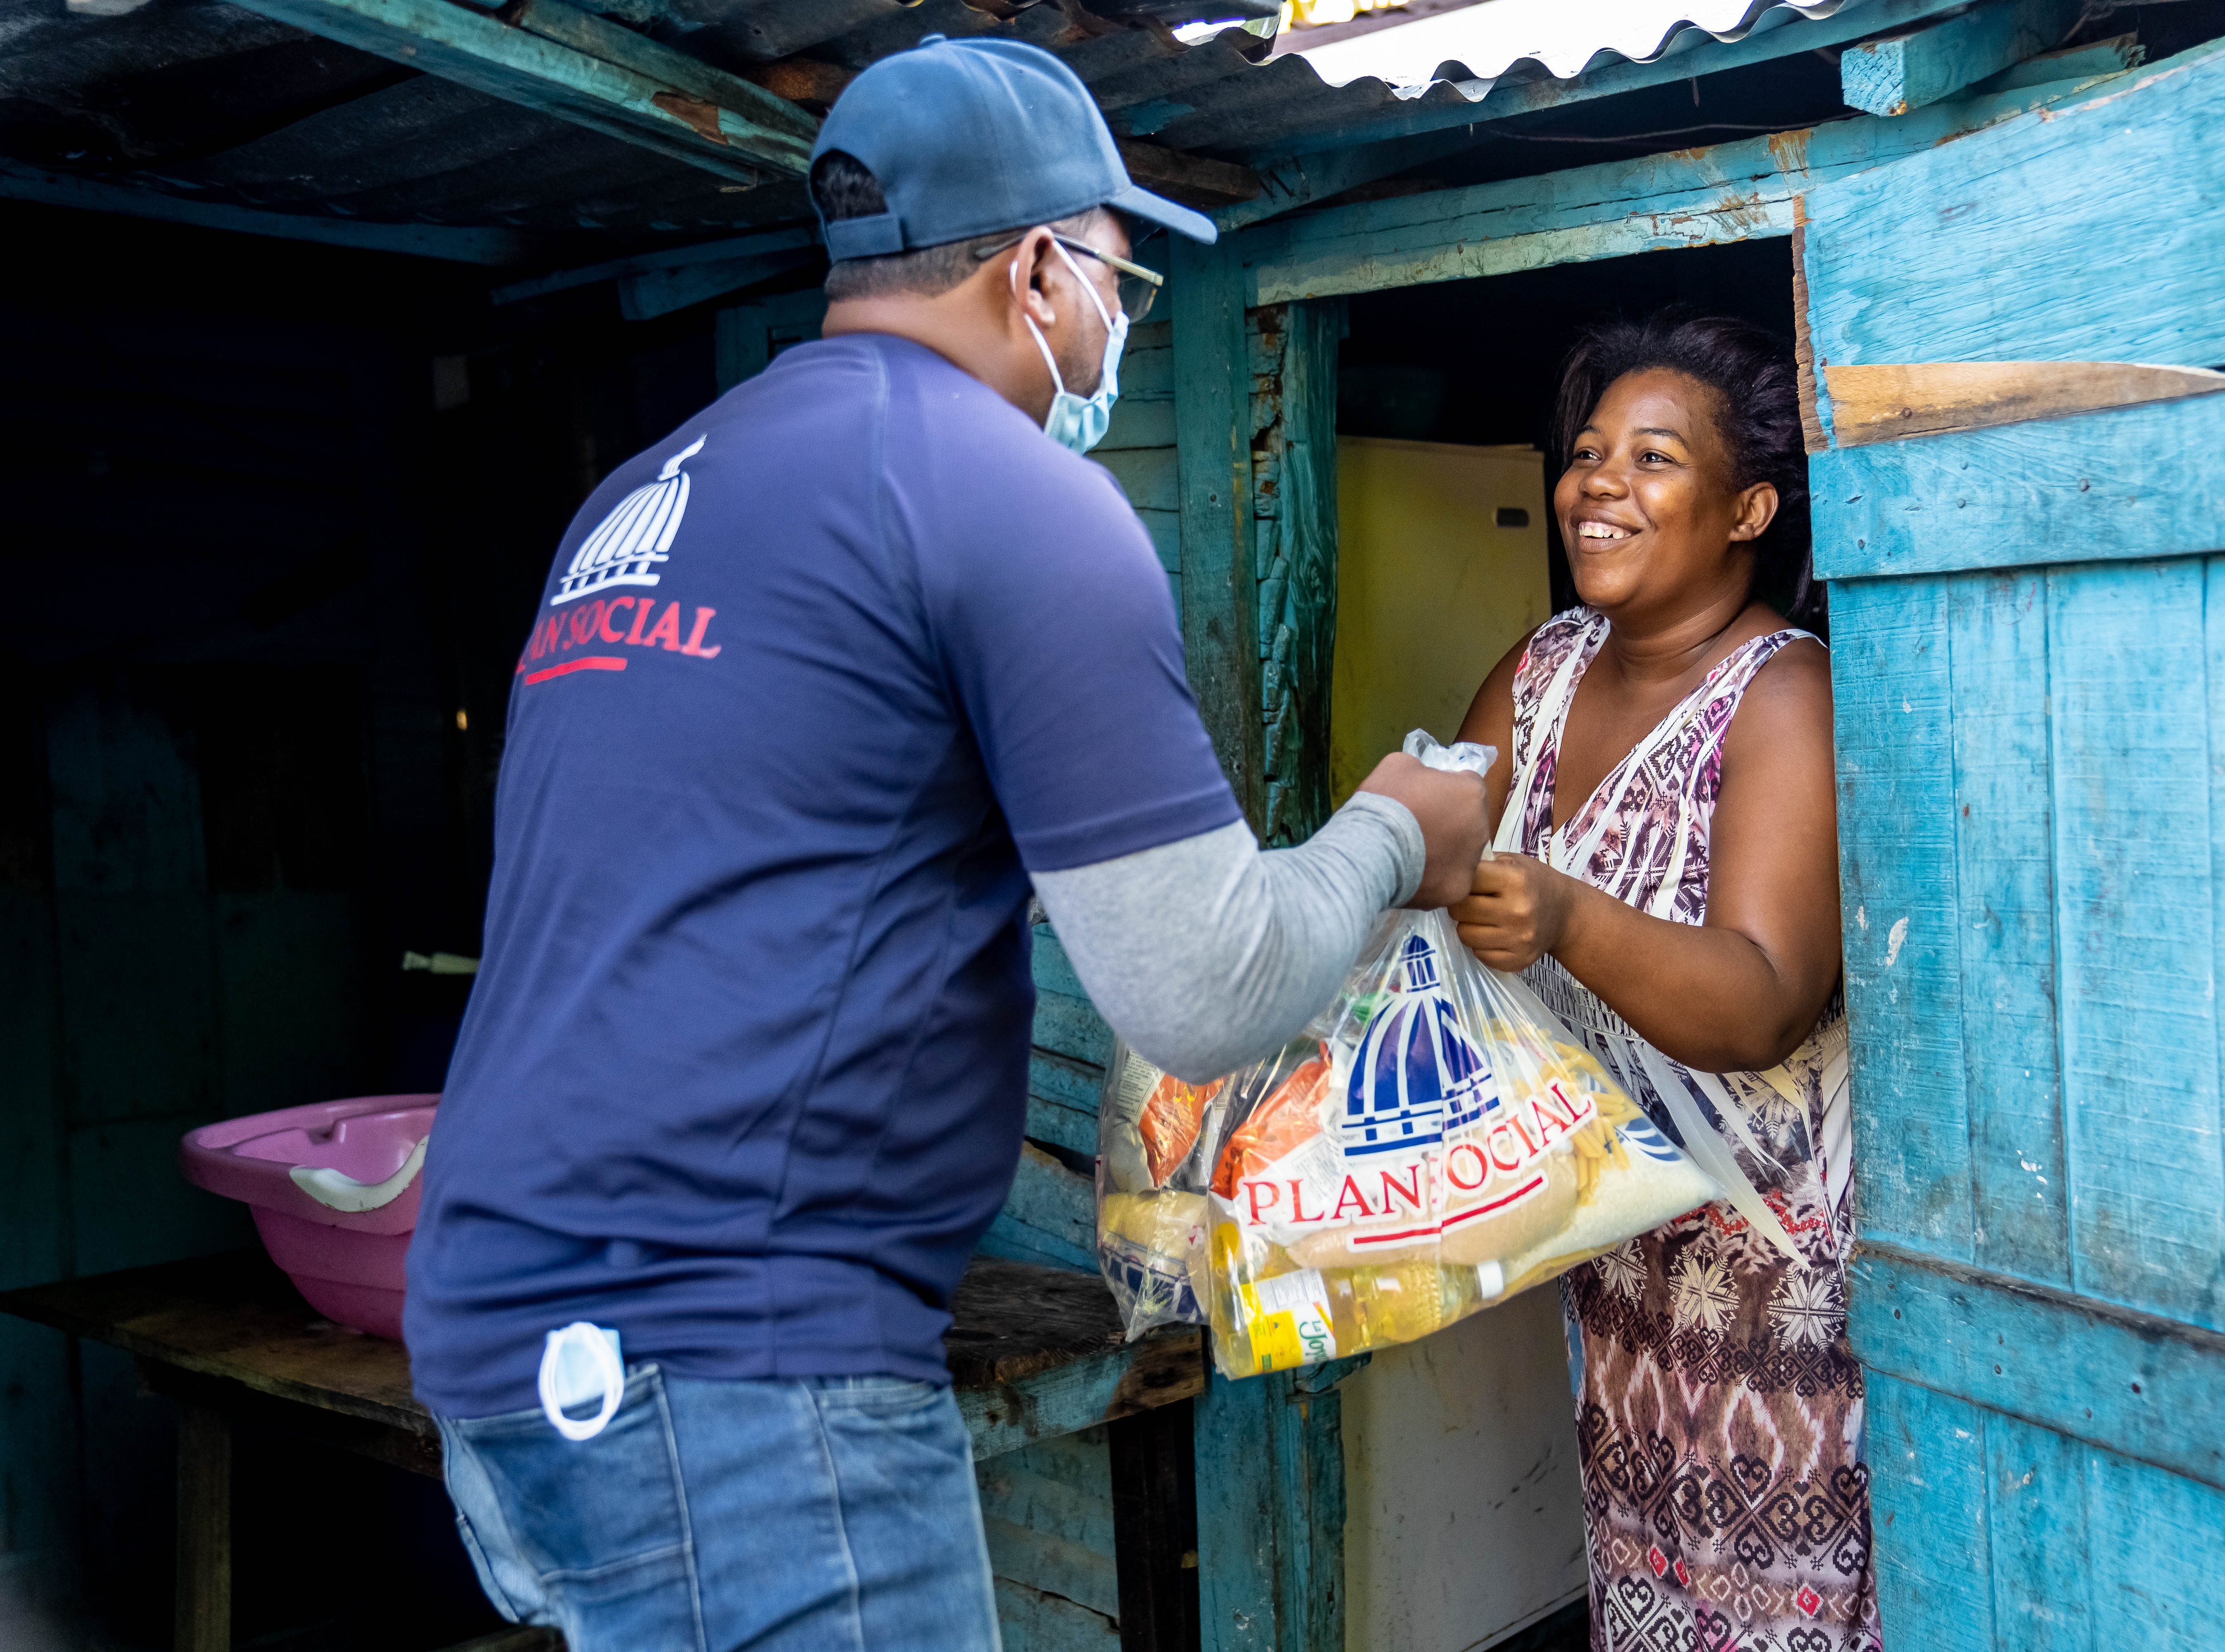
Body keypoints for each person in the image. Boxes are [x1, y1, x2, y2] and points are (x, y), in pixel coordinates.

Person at [401, 35, 1487, 1652]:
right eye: (1119, 281)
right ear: (1039, 270)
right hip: (734, 1357)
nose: (1117, 329)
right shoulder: (1009, 496)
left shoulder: (647, 495)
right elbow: (1207, 985)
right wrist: (1401, 827)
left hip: (499, 1339)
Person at [1448, 311, 1876, 1652]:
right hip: (1619, 1266)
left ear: (1748, 509)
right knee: (1646, 1601)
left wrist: (1568, 915)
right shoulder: (1544, 670)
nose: (1599, 486)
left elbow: (1763, 998)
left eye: (1653, 458)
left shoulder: (1781, 696)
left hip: (1774, 1300)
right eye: (1587, 454)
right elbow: (1433, 839)